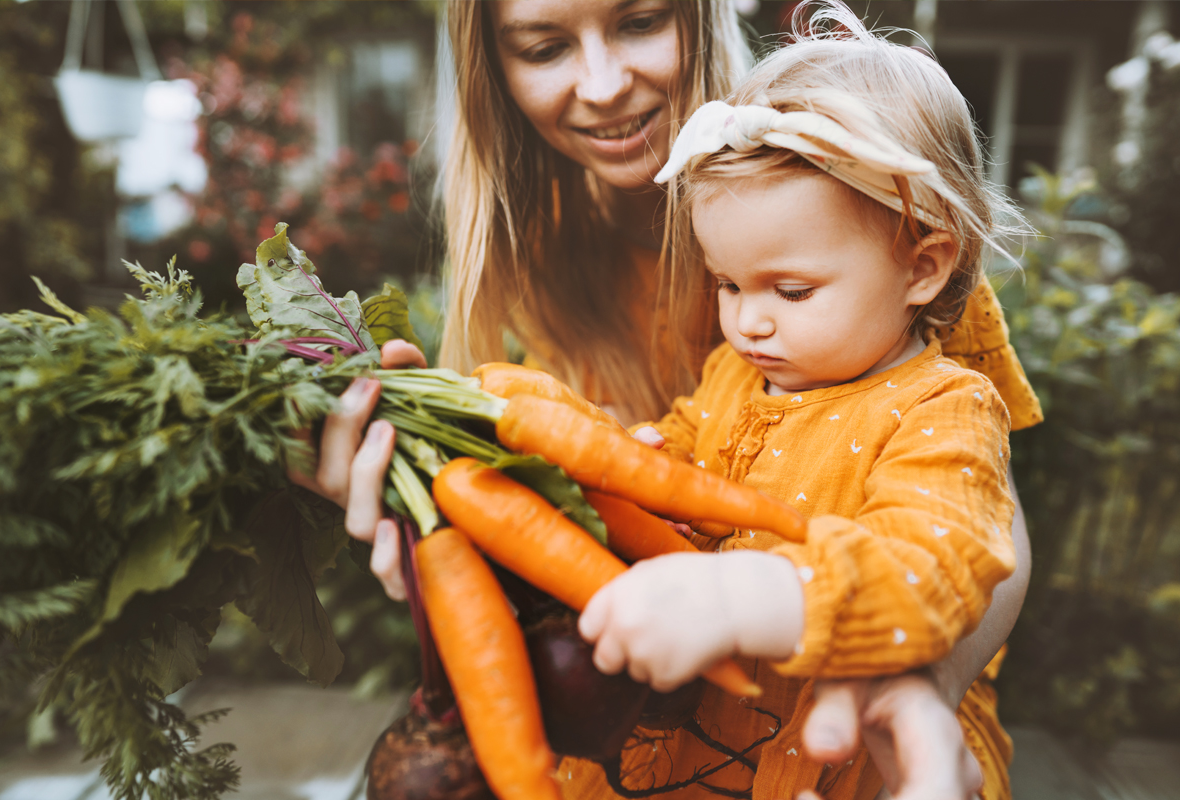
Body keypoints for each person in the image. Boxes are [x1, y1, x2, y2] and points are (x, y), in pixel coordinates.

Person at [291, 2, 1039, 798]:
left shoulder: (872, 204)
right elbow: (640, 472)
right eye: (545, 46)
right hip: (674, 741)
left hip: (851, 760)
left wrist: (792, 611)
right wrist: (466, 490)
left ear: (923, 270)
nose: (747, 319)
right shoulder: (713, 356)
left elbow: (967, 543)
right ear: (497, 73)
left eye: (640, 20)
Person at [569, 8, 1028, 796]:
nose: (749, 318)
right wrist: (631, 463)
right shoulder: (737, 372)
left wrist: (757, 592)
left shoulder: (945, 409)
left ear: (923, 266)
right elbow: (680, 446)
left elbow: (936, 571)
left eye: (791, 289)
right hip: (686, 754)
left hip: (832, 766)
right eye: (728, 284)